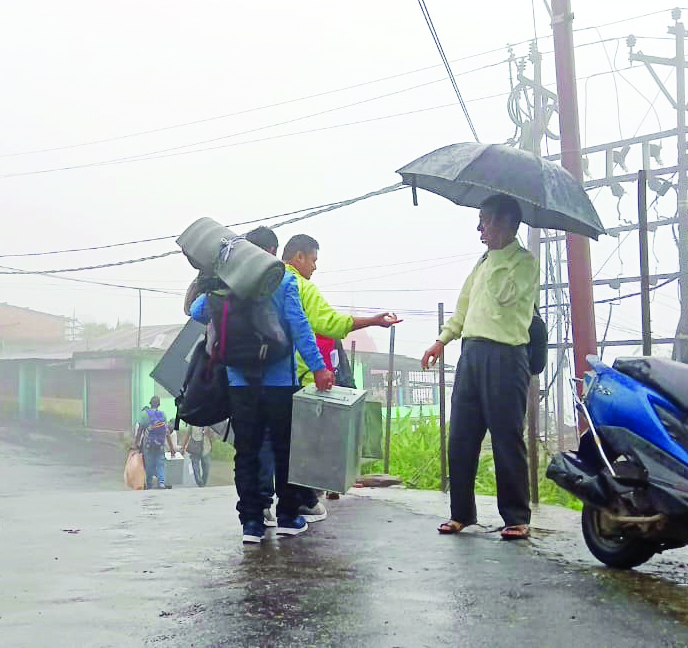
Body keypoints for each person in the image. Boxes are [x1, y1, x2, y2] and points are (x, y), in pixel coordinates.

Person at [190, 240, 333, 544]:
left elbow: (197, 310)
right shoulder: (283, 279)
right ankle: (288, 518)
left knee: (248, 452)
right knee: (285, 450)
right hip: (280, 382)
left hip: (241, 383)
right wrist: (319, 367)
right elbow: (299, 324)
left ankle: (252, 523)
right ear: (270, 252)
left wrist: (212, 280)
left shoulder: (228, 283)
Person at [258, 234, 401, 524]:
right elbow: (328, 324)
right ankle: (301, 505)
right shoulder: (298, 285)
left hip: (256, 377)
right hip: (295, 378)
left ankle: (257, 508)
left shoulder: (260, 283)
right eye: (313, 260)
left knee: (262, 443)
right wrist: (373, 320)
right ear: (298, 257)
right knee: (299, 445)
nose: (314, 267)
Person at [421, 194, 539, 541]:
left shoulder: (524, 263)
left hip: (506, 357)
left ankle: (515, 516)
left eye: (485, 220)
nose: (479, 228)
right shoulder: (483, 261)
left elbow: (504, 295)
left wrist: (500, 254)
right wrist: (442, 340)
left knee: (506, 438)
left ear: (506, 224)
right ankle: (461, 513)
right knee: (461, 437)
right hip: (471, 354)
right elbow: (464, 306)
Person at [134, 396, 177, 489]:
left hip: (148, 445)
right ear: (159, 404)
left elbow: (140, 431)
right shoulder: (163, 415)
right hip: (160, 444)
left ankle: (149, 484)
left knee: (149, 464)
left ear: (150, 403)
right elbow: (167, 433)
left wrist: (136, 443)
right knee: (160, 464)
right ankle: (161, 482)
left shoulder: (145, 415)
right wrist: (172, 448)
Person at [180, 421, 216, 487]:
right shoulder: (192, 424)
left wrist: (209, 432)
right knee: (195, 467)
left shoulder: (210, 424)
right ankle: (199, 482)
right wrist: (183, 447)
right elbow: (187, 435)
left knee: (206, 468)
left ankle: (203, 482)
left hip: (206, 448)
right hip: (194, 448)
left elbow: (213, 437)